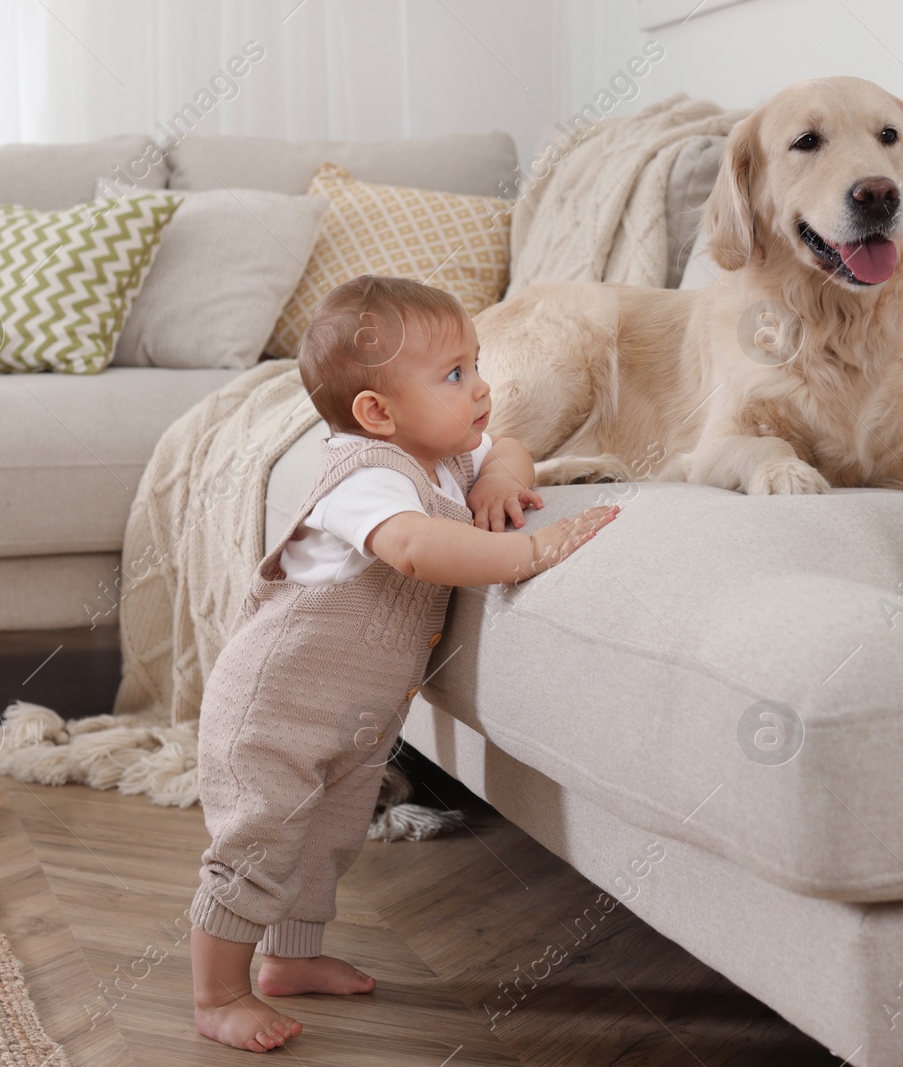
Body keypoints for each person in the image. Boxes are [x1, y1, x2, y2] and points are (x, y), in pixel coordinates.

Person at [189, 274, 619, 1052]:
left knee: (328, 835)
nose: (482, 388)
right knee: (259, 843)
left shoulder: (449, 450)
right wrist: (524, 549)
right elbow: (417, 550)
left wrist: (499, 480)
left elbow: (514, 446)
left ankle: (291, 959)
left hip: (355, 715)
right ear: (377, 414)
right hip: (274, 706)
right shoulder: (367, 473)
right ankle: (218, 993)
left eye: (476, 362)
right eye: (455, 375)